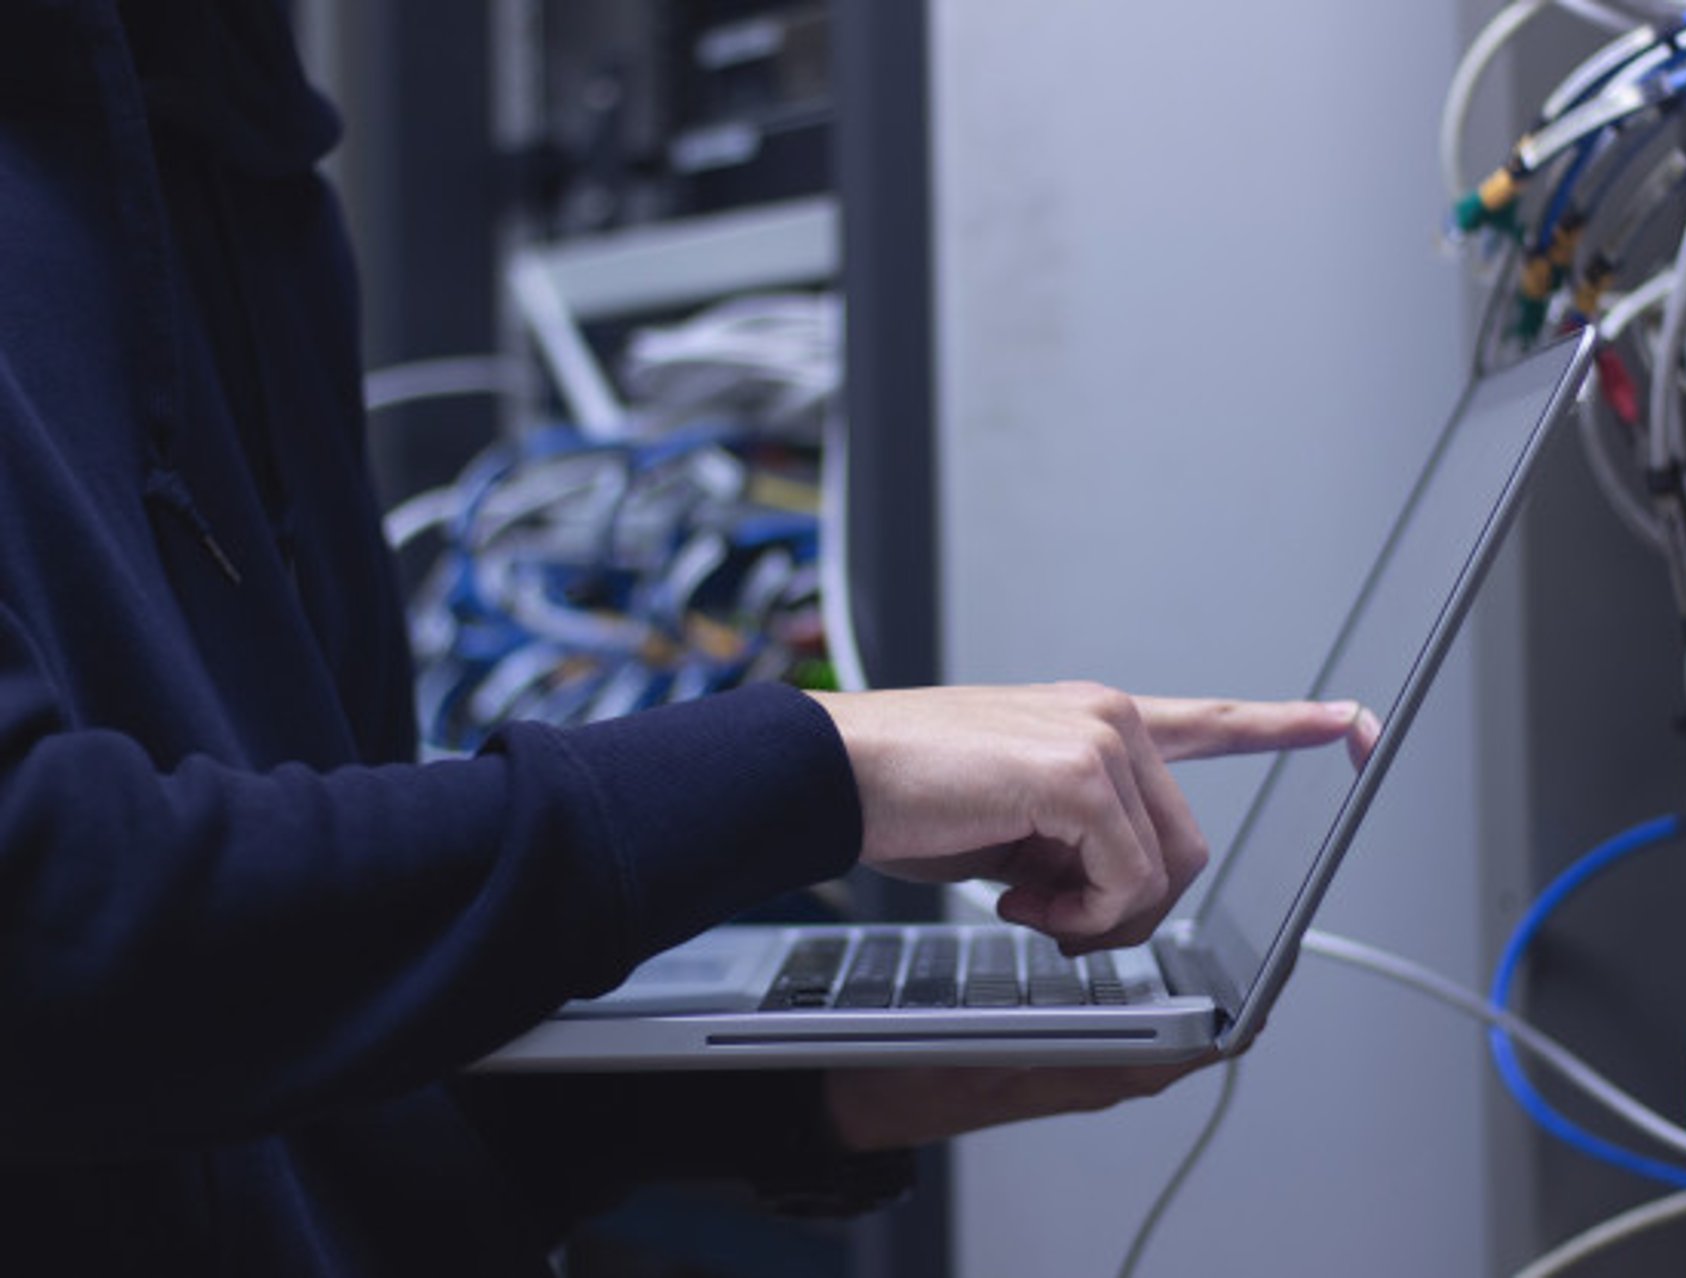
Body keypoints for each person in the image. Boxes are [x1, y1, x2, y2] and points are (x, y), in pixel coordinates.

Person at [0, 2, 1366, 1273]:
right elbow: (50, 927)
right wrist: (811, 764)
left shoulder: (251, 176)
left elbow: (277, 1038)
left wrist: (784, 1101)